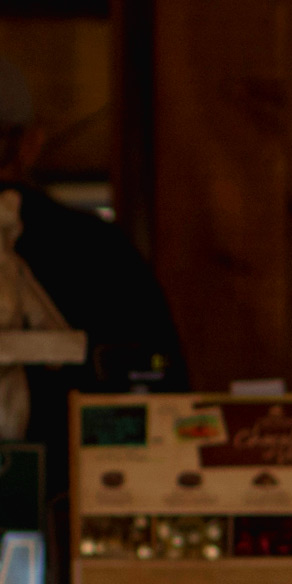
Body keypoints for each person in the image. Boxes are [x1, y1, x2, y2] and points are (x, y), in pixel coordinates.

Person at [0, 58, 187, 488]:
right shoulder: (101, 254)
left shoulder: (97, 251)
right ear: (31, 144)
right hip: (83, 504)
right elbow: (166, 405)